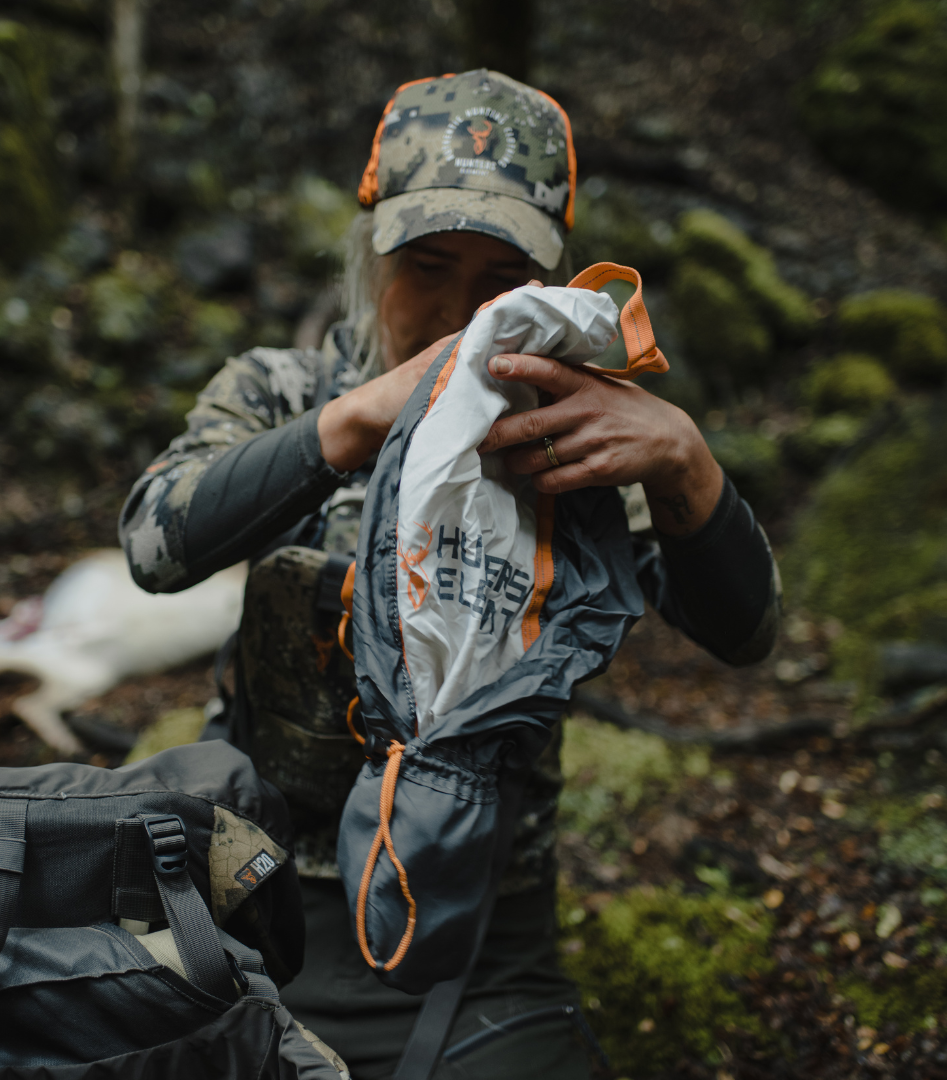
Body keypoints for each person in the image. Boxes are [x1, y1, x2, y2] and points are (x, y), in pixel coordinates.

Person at [120, 69, 780, 1079]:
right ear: (370, 254)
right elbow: (153, 545)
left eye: (501, 280)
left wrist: (686, 464)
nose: (458, 310)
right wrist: (353, 423)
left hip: (482, 937)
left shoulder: (571, 435)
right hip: (256, 900)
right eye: (426, 266)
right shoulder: (285, 390)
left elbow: (745, 633)